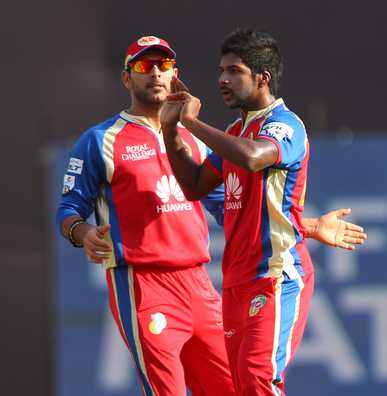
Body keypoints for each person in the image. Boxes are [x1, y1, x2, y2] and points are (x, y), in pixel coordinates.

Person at [56, 36, 365, 396]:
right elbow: (69, 208)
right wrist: (82, 232)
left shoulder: (200, 138)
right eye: (143, 66)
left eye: (164, 65)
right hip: (142, 283)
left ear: (176, 75)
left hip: (199, 282)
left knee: (236, 387)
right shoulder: (101, 140)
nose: (155, 73)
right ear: (127, 78)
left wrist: (309, 227)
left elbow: (233, 207)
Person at [160, 28, 363, 395]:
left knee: (257, 379)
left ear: (261, 78)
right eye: (221, 70)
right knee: (239, 387)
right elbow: (194, 186)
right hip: (236, 282)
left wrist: (192, 123)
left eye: (234, 71)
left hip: (276, 275)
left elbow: (254, 158)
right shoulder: (236, 129)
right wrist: (171, 131)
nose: (222, 79)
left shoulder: (284, 125)